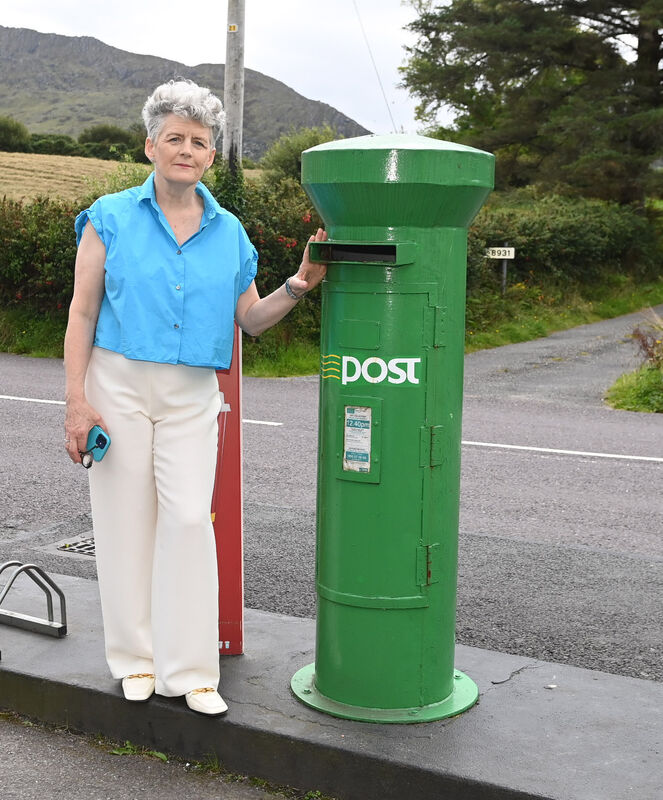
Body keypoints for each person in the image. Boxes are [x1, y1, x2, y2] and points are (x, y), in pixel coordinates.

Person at [63, 79, 327, 716]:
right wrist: (76, 400)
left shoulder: (230, 231)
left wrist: (300, 282)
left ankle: (191, 671)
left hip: (191, 392)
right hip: (117, 380)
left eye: (199, 142)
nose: (187, 149)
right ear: (150, 145)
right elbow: (81, 312)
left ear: (212, 156)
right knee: (126, 524)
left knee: (186, 522)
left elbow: (251, 320)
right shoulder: (110, 217)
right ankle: (136, 660)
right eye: (174, 138)